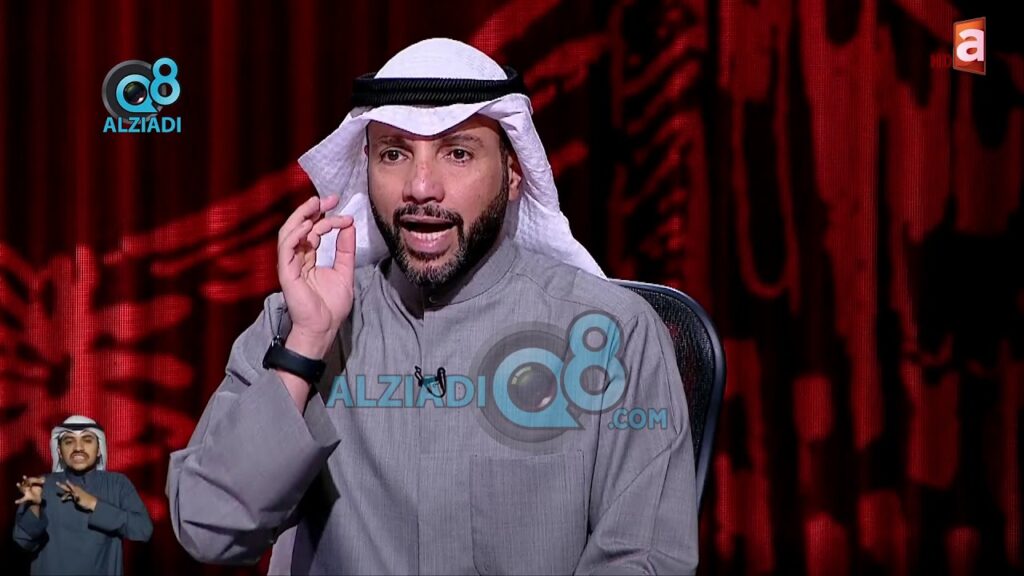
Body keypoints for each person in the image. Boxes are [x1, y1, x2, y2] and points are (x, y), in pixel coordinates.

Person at [167, 38, 698, 575]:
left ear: (514, 173)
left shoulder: (614, 334)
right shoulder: (297, 322)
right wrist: (305, 348)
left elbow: (645, 560)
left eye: (458, 153)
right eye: (394, 154)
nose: (421, 187)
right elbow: (210, 529)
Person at [13, 415, 154, 575]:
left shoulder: (117, 484)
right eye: (69, 441)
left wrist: (94, 504)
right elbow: (24, 543)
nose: (78, 447)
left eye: (87, 440)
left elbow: (143, 530)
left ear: (99, 449)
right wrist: (35, 506)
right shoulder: (41, 485)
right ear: (59, 452)